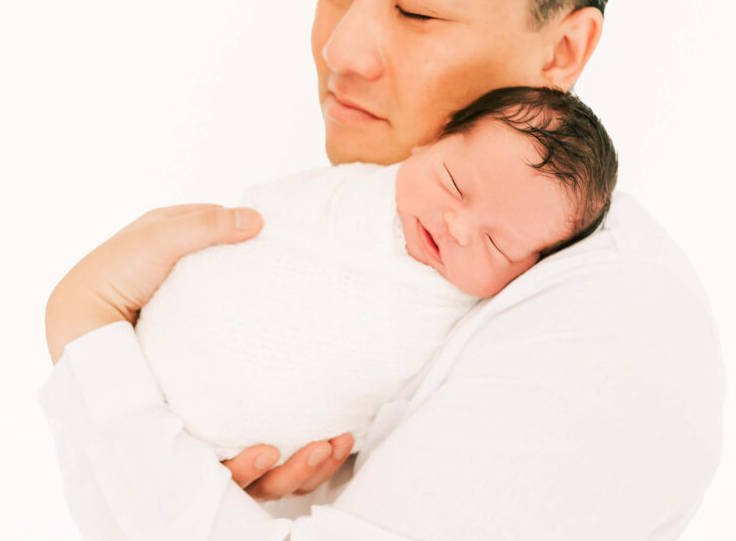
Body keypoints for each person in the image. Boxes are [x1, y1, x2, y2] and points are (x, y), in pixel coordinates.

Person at [40, 0, 724, 539]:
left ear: (563, 51)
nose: (341, 49)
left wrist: (89, 335)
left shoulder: (612, 335)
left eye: (417, 8)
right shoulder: (365, 245)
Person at [134, 86, 618, 466]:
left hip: (240, 465)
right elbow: (266, 215)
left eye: (497, 243)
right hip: (151, 351)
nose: (458, 228)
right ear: (434, 139)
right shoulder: (351, 194)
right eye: (452, 184)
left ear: (530, 271)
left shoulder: (472, 329)